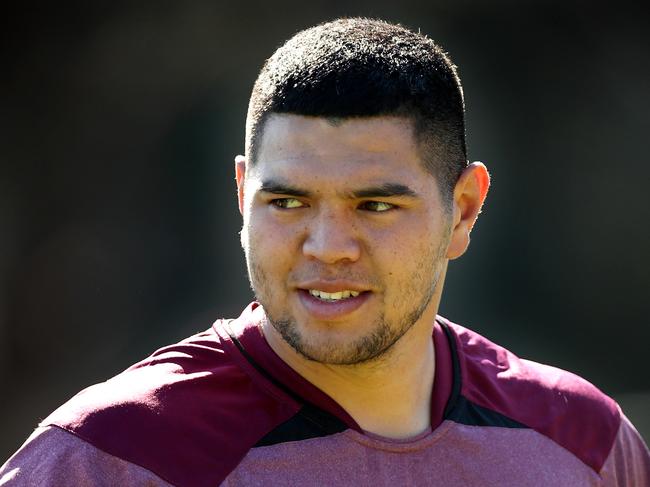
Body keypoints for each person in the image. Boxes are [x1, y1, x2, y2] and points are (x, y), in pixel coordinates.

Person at [1, 17, 648, 487]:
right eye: (287, 202)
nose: (328, 247)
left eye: (376, 205)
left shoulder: (584, 440)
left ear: (465, 210)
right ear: (240, 195)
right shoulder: (107, 458)